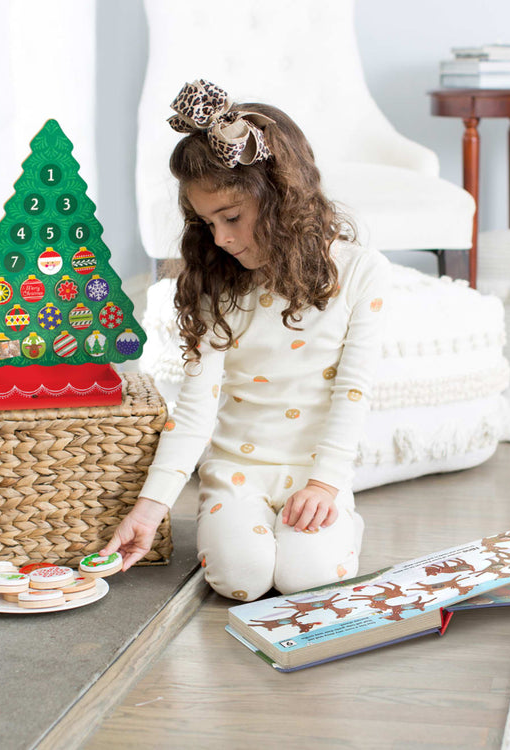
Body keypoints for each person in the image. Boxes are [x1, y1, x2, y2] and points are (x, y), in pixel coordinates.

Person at [101, 79, 389, 602]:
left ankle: (341, 517)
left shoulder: (362, 272)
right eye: (206, 223)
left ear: (280, 197)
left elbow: (354, 391)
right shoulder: (219, 282)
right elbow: (194, 412)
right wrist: (150, 507)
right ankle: (252, 528)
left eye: (231, 217)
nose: (221, 239)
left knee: (307, 580)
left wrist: (325, 483)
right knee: (242, 579)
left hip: (314, 469)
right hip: (235, 471)